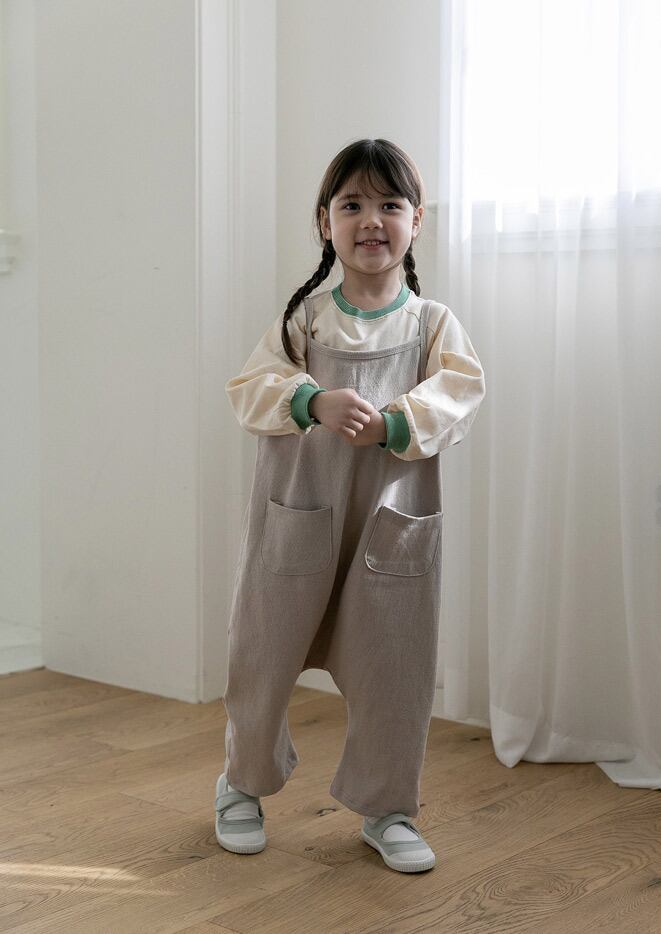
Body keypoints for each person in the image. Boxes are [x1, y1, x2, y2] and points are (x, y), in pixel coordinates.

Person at [214, 138, 486, 873]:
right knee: (264, 652)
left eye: (390, 204)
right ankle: (242, 783)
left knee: (394, 663)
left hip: (389, 521)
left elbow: (461, 393)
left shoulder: (431, 324)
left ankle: (388, 806)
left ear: (417, 221)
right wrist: (311, 400)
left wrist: (397, 422)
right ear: (324, 222)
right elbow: (250, 390)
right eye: (352, 204)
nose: (372, 220)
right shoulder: (304, 321)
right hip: (299, 513)